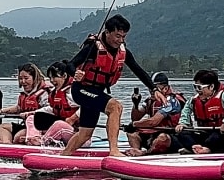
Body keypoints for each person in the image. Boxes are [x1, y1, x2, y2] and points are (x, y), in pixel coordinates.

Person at [61, 15, 155, 158]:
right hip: (81, 89)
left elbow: (138, 70)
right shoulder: (93, 47)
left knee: (85, 133)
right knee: (115, 107)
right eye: (117, 36)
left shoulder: (123, 51)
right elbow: (70, 65)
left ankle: (64, 156)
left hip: (96, 92)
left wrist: (153, 88)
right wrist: (75, 73)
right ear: (107, 32)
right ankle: (114, 151)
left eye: (123, 36)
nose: (121, 40)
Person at [174, 69, 224, 154]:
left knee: (215, 137)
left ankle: (207, 149)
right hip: (206, 134)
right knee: (183, 134)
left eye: (199, 87)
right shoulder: (194, 99)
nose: (197, 90)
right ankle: (196, 147)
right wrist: (183, 123)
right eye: (195, 87)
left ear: (211, 87)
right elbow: (186, 109)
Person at [125, 72, 186, 155]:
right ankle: (136, 150)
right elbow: (135, 118)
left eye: (155, 88)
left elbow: (153, 122)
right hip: (153, 134)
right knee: (131, 133)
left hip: (171, 135)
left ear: (165, 88)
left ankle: (145, 153)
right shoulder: (149, 101)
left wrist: (134, 124)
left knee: (162, 138)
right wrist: (135, 105)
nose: (152, 91)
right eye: (150, 88)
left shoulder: (172, 101)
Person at [21, 61, 78, 146]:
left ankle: (42, 143)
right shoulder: (55, 93)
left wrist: (72, 118)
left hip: (78, 135)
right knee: (31, 118)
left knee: (59, 124)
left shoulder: (75, 92)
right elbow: (51, 108)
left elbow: (88, 107)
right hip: (63, 128)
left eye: (54, 77)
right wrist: (32, 112)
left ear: (64, 76)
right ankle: (33, 139)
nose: (52, 81)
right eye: (50, 78)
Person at [0, 64, 53, 143]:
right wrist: (1, 111)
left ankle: (14, 144)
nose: (23, 81)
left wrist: (30, 113)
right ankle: (6, 144)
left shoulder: (44, 93)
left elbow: (49, 109)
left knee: (18, 136)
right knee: (2, 127)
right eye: (20, 79)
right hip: (25, 125)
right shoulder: (25, 94)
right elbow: (19, 108)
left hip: (39, 127)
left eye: (26, 78)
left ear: (34, 78)